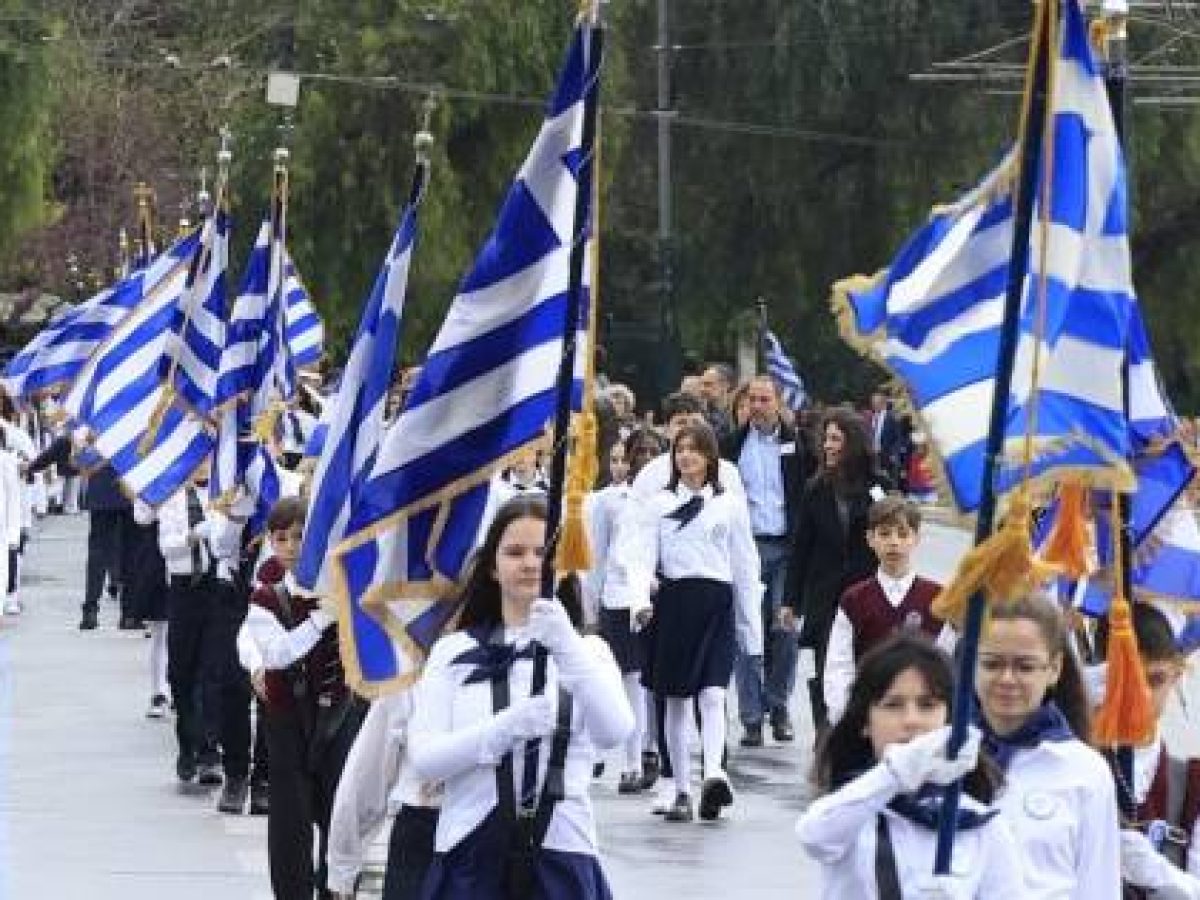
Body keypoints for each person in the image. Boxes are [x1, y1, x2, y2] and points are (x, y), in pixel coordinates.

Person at [408, 496, 633, 900]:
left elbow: (614, 730)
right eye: (514, 552)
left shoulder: (589, 652)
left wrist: (566, 646)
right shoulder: (453, 651)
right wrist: (502, 730)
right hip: (469, 860)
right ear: (493, 567)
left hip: (563, 857)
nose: (530, 563)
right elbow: (425, 759)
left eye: (541, 552)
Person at [796, 635, 1022, 898]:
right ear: (865, 722)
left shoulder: (981, 823)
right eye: (893, 705)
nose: (911, 720)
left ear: (949, 718)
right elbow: (815, 837)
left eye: (927, 705)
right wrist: (895, 774)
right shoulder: (853, 809)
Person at [628, 422, 762, 822]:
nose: (686, 456)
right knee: (676, 700)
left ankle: (715, 772)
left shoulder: (729, 505)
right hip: (674, 603)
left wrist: (750, 625)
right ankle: (682, 788)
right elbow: (640, 555)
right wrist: (639, 600)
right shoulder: (659, 505)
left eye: (695, 449)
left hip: (716, 601)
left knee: (714, 693)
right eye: (680, 449)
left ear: (710, 457)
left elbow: (745, 563)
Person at [239, 497, 364, 899]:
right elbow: (277, 653)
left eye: (300, 537)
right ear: (271, 544)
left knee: (341, 809)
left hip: (339, 712)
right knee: (290, 819)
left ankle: (336, 887)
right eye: (282, 538)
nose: (292, 546)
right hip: (288, 717)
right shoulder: (267, 597)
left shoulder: (343, 587)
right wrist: (321, 619)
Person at [976, 594, 1120, 899]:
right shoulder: (941, 754)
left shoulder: (1085, 771)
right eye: (992, 663)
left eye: (1025, 667)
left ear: (1054, 669)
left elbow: (1098, 885)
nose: (1006, 678)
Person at [722, 374, 815, 747]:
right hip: (747, 548)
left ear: (779, 403)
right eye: (752, 400)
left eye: (765, 400)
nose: (758, 407)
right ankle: (750, 718)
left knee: (785, 628)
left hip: (787, 548)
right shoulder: (731, 446)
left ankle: (778, 705)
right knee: (747, 632)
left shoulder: (800, 446)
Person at [785, 407, 890, 738]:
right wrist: (790, 601)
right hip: (826, 597)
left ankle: (863, 736)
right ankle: (825, 739)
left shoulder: (879, 486)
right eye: (826, 439)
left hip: (867, 593)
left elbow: (893, 536)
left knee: (866, 668)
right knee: (826, 668)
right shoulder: (815, 489)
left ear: (853, 444)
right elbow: (801, 548)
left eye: (836, 439)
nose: (828, 446)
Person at [823, 496, 951, 725]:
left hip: (921, 718)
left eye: (903, 534)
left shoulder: (938, 598)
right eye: (884, 534)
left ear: (916, 539)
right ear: (870, 539)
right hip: (867, 715)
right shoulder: (854, 599)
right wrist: (846, 716)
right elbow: (839, 665)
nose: (894, 542)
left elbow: (946, 659)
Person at [585, 428, 663, 793]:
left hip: (661, 595)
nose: (645, 459)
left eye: (652, 452)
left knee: (655, 683)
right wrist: (591, 605)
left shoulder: (670, 498)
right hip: (619, 598)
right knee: (630, 679)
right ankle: (630, 761)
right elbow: (597, 556)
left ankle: (650, 750)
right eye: (638, 453)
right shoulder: (610, 500)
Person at [1105, 602, 1200, 898]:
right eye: (1127, 679)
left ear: (1177, 674)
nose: (1141, 694)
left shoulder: (1193, 784)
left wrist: (1154, 871)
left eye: (1155, 680)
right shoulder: (1067, 769)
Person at [327, 691, 440, 900]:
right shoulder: (413, 679)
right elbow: (366, 774)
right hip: (425, 824)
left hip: (493, 833)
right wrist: (343, 869)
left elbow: (364, 776)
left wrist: (343, 869)